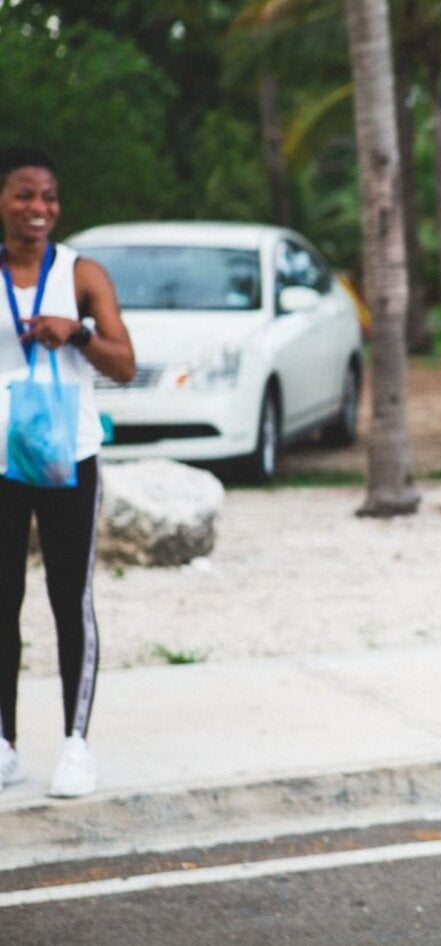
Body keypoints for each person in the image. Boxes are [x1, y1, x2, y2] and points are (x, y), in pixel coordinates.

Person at [0, 145, 135, 799]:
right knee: (3, 602)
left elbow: (125, 364)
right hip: (0, 460)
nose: (39, 209)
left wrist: (76, 332)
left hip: (67, 454)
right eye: (25, 194)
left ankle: (76, 745)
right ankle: (5, 745)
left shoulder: (82, 274)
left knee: (68, 600)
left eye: (49, 197)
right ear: (3, 199)